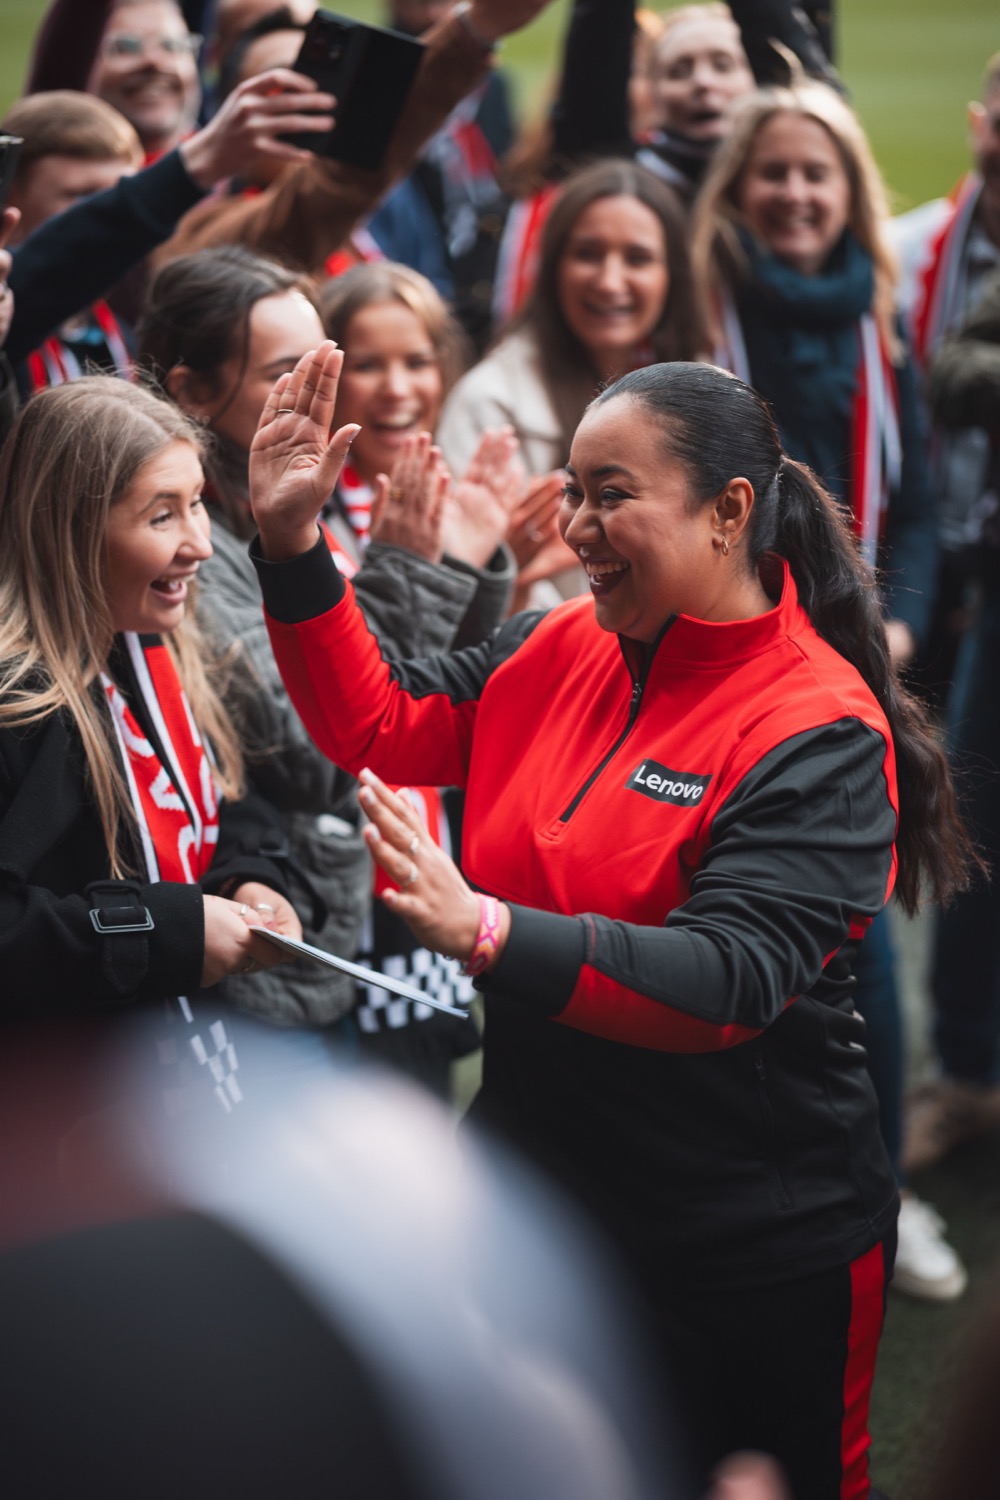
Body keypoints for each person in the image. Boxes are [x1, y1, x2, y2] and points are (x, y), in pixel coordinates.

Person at [246, 342, 978, 1499]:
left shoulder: (817, 730)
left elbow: (731, 980)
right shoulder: (557, 643)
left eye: (611, 494)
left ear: (729, 510)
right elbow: (379, 724)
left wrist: (489, 931)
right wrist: (292, 548)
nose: (576, 525)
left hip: (744, 1240)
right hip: (534, 1196)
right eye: (574, 489)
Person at [689, 78, 958, 1299]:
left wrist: (892, 622)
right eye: (773, 174)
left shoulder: (881, 315)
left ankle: (878, 1188)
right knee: (725, 922)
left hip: (853, 663)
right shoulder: (700, 313)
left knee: (865, 935)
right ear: (736, 191)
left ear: (850, 192)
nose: (795, 194)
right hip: (718, 661)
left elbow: (915, 494)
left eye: (817, 174)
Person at [139, 247, 513, 1092]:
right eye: (286, 373)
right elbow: (323, 750)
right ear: (194, 393)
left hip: (331, 925)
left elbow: (416, 688)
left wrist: (460, 563)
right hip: (269, 955)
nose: (323, 396)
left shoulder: (297, 496)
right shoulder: (195, 546)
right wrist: (418, 569)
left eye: (321, 367)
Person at [0, 376, 301, 1105]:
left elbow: (226, 796)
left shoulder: (160, 647)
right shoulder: (19, 706)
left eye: (196, 502)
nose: (199, 543)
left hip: (187, 1085)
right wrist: (166, 933)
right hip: (62, 1128)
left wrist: (246, 879)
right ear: (69, 530)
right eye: (161, 516)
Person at [890, 55, 1000, 1176]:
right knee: (976, 819)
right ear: (982, 122)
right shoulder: (921, 247)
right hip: (971, 571)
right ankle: (967, 1073)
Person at [438, 158, 705, 520]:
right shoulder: (489, 404)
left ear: (671, 274)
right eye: (587, 255)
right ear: (551, 268)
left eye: (637, 258)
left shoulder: (708, 389)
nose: (610, 282)